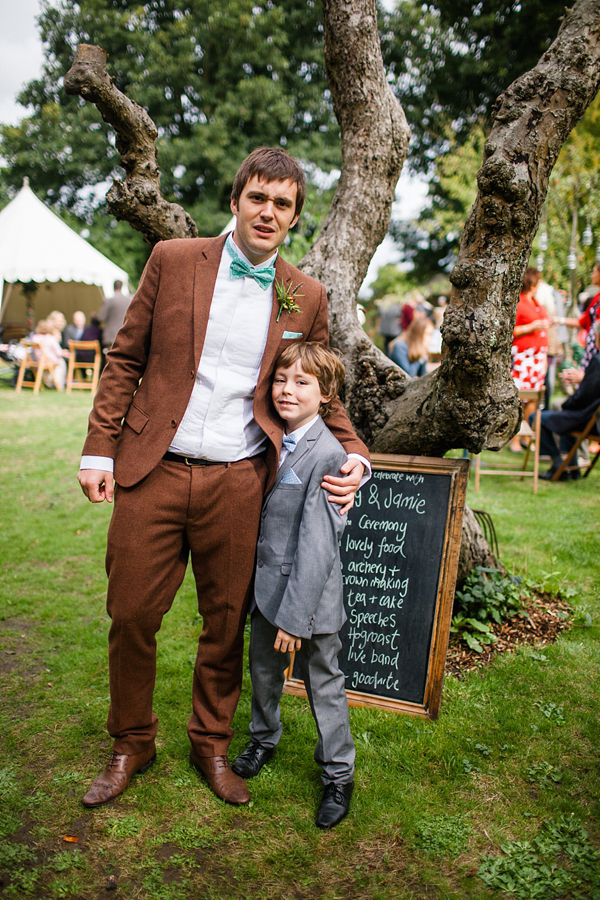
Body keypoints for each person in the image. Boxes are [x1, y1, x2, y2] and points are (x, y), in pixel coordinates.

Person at [77, 147, 370, 810]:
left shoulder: (307, 294)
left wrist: (355, 455)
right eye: (258, 198)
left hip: (240, 482)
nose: (268, 212)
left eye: (283, 204)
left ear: (295, 217)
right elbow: (124, 360)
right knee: (130, 613)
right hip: (152, 469)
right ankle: (132, 742)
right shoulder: (173, 260)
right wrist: (99, 449)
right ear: (236, 200)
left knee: (227, 621)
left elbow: (324, 387)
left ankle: (211, 744)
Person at [232, 342, 355, 829]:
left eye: (302, 382)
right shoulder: (269, 439)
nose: (287, 390)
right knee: (263, 671)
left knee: (323, 682)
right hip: (266, 590)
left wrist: (296, 618)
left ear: (326, 395)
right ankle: (263, 739)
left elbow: (319, 543)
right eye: (282, 380)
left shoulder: (329, 454)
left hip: (310, 599)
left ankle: (338, 775)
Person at [539, 319, 600, 481]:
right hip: (591, 417)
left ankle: (558, 462)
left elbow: (583, 397)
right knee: (563, 417)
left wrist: (567, 405)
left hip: (589, 420)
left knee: (537, 418)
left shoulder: (598, 360)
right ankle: (572, 469)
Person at [508, 267, 550, 453]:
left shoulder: (536, 302)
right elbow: (510, 331)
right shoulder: (519, 302)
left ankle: (527, 437)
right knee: (519, 398)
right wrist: (530, 327)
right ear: (532, 282)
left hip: (538, 359)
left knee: (534, 397)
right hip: (523, 357)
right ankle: (513, 439)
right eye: (538, 281)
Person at [559, 262, 600, 390]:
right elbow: (582, 322)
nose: (592, 274)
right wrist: (558, 320)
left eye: (594, 271)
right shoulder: (597, 297)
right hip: (592, 348)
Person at [31, 318, 70, 390]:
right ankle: (59, 385)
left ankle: (49, 383)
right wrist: (66, 353)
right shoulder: (50, 338)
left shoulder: (35, 338)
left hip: (38, 361)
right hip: (49, 361)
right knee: (61, 362)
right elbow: (58, 352)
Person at [98, 279, 131, 350]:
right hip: (125, 335)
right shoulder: (129, 300)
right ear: (122, 287)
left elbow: (101, 318)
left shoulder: (109, 300)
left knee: (111, 358)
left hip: (111, 336)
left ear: (113, 287)